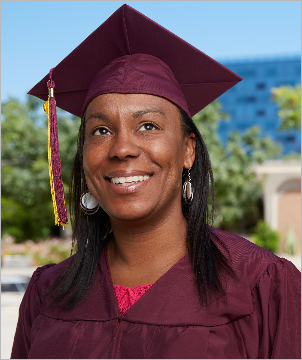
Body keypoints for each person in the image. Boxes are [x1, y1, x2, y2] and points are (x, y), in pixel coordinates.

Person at [11, 4, 300, 359]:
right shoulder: (47, 291)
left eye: (148, 126)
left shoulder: (262, 283)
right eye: (101, 130)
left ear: (188, 150)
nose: (121, 148)